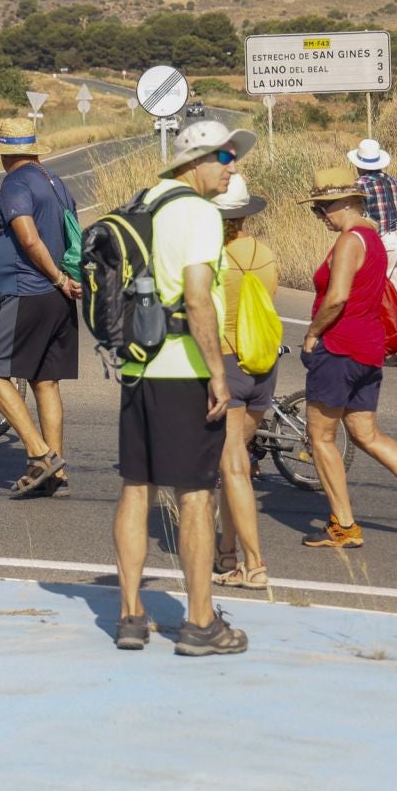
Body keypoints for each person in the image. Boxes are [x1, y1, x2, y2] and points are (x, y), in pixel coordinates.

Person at [113, 119, 252, 657]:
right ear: (194, 162)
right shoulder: (197, 213)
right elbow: (198, 298)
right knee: (196, 494)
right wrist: (218, 373)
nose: (232, 167)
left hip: (136, 366)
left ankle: (129, 615)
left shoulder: (142, 202)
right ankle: (199, 623)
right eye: (223, 157)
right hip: (182, 369)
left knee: (136, 486)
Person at [298, 166, 397, 549]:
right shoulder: (372, 237)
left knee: (320, 437)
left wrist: (312, 333)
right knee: (366, 433)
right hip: (368, 347)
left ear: (351, 202)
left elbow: (337, 298)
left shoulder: (351, 240)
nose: (321, 215)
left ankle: (344, 525)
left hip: (339, 347)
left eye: (325, 206)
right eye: (317, 209)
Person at [0, 118, 81, 498]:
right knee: (44, 380)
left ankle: (40, 455)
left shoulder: (16, 183)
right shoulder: (54, 181)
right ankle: (57, 475)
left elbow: (28, 237)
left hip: (26, 291)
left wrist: (54, 277)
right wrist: (69, 279)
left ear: (5, 153)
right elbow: (73, 233)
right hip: (57, 296)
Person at [211, 173, 276, 591]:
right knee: (236, 468)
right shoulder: (265, 254)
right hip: (263, 366)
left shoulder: (211, 260)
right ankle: (228, 553)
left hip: (228, 363)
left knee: (232, 467)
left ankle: (254, 566)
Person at [349, 138, 397, 366]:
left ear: (359, 163)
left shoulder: (359, 186)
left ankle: (369, 347)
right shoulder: (395, 183)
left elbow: (356, 218)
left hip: (381, 241)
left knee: (371, 294)